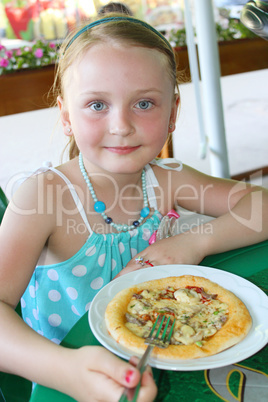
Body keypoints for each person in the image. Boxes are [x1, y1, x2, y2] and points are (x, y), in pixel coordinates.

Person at [0, 12, 268, 402]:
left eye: (144, 103)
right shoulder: (43, 198)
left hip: (166, 356)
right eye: (96, 105)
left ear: (173, 112)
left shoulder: (169, 178)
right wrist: (65, 370)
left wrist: (191, 243)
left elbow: (260, 203)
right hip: (73, 379)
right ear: (66, 116)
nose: (121, 124)